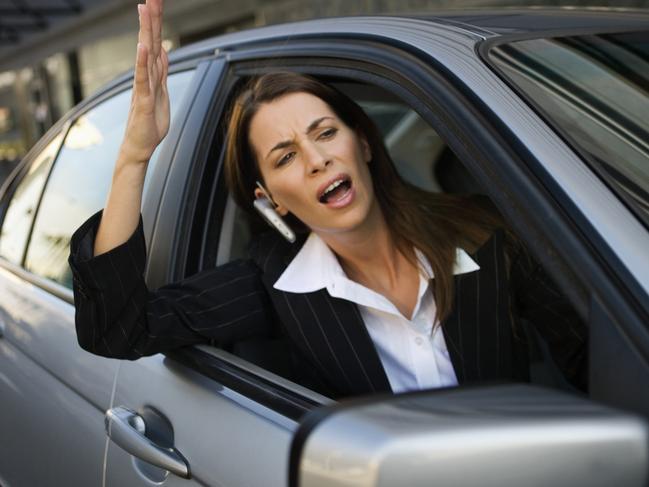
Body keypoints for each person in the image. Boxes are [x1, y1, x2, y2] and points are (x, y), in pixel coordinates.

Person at [69, 0, 587, 399]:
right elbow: (117, 330)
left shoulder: (486, 234)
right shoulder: (271, 285)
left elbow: (597, 355)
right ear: (272, 198)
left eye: (324, 133)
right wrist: (135, 156)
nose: (317, 160)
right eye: (285, 157)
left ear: (361, 141)